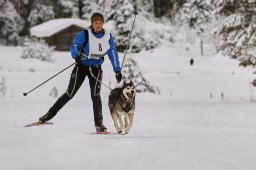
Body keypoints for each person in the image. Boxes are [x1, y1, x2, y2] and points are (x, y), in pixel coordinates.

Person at [38, 12, 122, 132]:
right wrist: (76, 56)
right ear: (92, 23)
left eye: (100, 23)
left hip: (96, 68)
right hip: (82, 66)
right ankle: (48, 115)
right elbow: (75, 46)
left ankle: (99, 124)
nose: (98, 25)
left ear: (103, 23)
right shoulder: (85, 34)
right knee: (69, 93)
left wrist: (117, 70)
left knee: (96, 96)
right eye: (96, 23)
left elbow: (113, 53)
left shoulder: (108, 36)